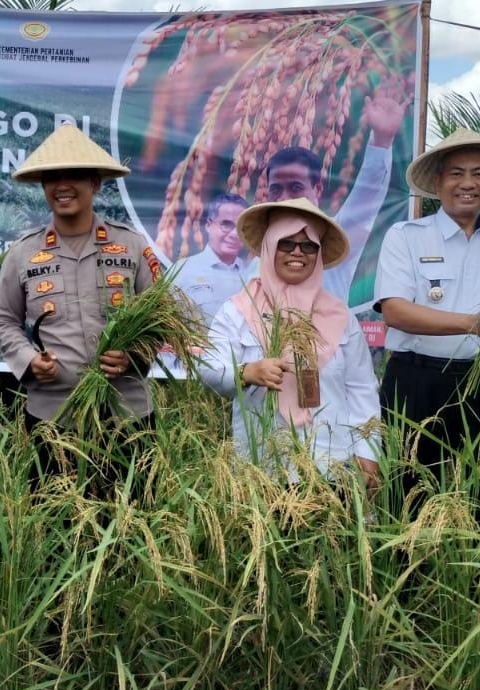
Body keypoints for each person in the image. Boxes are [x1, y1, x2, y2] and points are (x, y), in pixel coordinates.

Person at [370, 128, 480, 521]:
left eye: (479, 174)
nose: (467, 184)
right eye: (456, 173)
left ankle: (478, 579)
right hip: (416, 384)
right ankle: (409, 577)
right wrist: (471, 324)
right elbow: (394, 310)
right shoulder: (407, 236)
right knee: (409, 497)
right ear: (438, 182)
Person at [0, 123, 159, 478]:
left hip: (127, 415)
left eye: (75, 175)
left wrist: (134, 355)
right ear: (43, 186)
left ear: (95, 183)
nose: (62, 185)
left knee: (131, 522)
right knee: (57, 526)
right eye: (52, 177)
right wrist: (29, 360)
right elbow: (4, 321)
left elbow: (158, 317)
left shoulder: (131, 246)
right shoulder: (23, 253)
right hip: (52, 418)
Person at [201, 198, 381, 485]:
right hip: (261, 465)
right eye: (286, 243)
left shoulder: (340, 317)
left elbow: (362, 390)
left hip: (332, 465)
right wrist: (246, 372)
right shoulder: (237, 310)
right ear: (269, 247)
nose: (298, 252)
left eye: (309, 245)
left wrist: (368, 453)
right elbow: (208, 370)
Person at [258, 77, 409, 306]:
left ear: (317, 188)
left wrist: (381, 140)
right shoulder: (255, 254)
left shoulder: (335, 237)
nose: (285, 198)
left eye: (296, 188)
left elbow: (366, 196)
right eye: (276, 189)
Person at [172, 191, 252, 321]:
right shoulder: (182, 271)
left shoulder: (251, 275)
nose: (234, 234)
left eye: (241, 228)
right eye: (226, 225)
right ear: (209, 225)